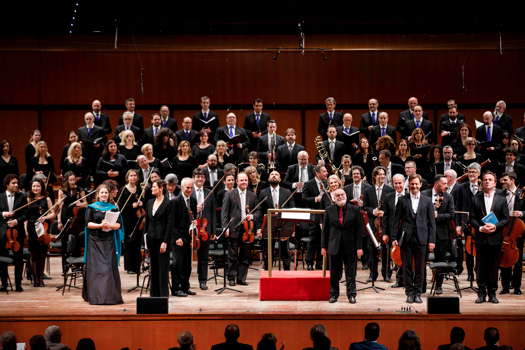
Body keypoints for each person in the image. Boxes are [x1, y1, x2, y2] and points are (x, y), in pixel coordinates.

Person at [393, 174, 436, 304]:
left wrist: (432, 241)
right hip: (407, 238)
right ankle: (409, 293)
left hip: (422, 238)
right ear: (409, 185)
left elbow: (431, 223)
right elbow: (396, 221)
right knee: (406, 267)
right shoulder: (402, 200)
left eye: (416, 184)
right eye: (412, 184)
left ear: (420, 185)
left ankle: (418, 292)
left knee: (420, 267)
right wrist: (394, 237)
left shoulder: (427, 201)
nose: (414, 186)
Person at [470, 172, 509, 304]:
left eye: (490, 179)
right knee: (480, 266)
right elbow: (472, 218)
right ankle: (481, 293)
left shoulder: (501, 199)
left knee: (493, 266)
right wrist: (480, 228)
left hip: (495, 237)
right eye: (485, 179)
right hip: (481, 237)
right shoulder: (476, 198)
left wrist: (495, 226)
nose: (487, 181)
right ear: (482, 182)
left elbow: (505, 219)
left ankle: (492, 293)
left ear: (494, 182)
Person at [83, 184, 123, 304]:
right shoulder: (91, 207)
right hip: (94, 241)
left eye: (106, 193)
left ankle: (109, 296)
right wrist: (101, 225)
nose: (104, 195)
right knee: (97, 270)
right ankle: (96, 297)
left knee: (107, 269)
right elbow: (88, 224)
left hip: (108, 241)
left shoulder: (113, 208)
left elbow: (119, 225)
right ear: (98, 194)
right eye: (102, 193)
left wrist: (109, 225)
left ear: (109, 194)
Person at [322, 188, 364, 303]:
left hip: (350, 246)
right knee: (334, 273)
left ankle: (351, 294)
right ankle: (333, 294)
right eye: (337, 195)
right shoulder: (329, 210)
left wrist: (359, 247)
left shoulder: (355, 210)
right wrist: (323, 247)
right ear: (334, 198)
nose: (340, 197)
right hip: (334, 245)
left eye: (342, 194)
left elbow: (359, 230)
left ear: (346, 195)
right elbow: (325, 230)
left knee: (351, 272)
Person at [222, 172, 258, 286]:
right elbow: (224, 212)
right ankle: (231, 277)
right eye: (241, 180)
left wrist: (252, 216)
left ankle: (241, 278)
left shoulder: (253, 195)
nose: (244, 182)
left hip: (248, 229)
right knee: (232, 255)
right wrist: (225, 227)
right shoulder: (230, 194)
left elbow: (258, 211)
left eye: (245, 180)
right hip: (233, 228)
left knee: (245, 255)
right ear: (237, 182)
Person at [422, 175, 455, 294]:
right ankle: (422, 285)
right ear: (437, 184)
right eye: (444, 183)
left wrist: (438, 216)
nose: (447, 186)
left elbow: (451, 214)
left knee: (440, 260)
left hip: (442, 234)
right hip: (425, 232)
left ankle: (438, 286)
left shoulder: (448, 197)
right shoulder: (424, 194)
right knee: (422, 259)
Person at [257, 170, 295, 270]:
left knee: (285, 251)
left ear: (280, 179)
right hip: (268, 225)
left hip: (283, 225)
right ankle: (267, 272)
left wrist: (291, 228)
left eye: (276, 174)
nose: (274, 176)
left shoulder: (287, 192)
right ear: (269, 178)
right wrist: (259, 228)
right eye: (272, 174)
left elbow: (292, 210)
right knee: (268, 251)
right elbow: (260, 211)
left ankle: (287, 272)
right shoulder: (263, 192)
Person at [363, 166, 394, 282]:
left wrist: (383, 212)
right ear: (375, 176)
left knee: (386, 249)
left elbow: (392, 207)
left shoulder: (390, 190)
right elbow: (365, 206)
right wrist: (373, 211)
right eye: (379, 174)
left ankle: (387, 274)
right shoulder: (368, 191)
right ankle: (373, 274)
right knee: (372, 250)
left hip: (385, 224)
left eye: (383, 174)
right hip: (372, 224)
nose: (382, 176)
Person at [145, 179, 173, 297]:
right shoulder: (150, 202)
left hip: (162, 240)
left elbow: (170, 224)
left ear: (161, 188)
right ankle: (154, 293)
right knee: (154, 267)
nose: (152, 189)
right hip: (151, 239)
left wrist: (165, 242)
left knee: (162, 267)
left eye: (154, 187)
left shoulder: (168, 203)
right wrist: (145, 240)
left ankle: (163, 294)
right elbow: (147, 222)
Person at [26, 178, 55, 287]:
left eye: (38, 186)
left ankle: (40, 278)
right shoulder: (28, 198)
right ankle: (35, 279)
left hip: (43, 228)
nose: (36, 188)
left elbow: (53, 214)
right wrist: (26, 231)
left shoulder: (46, 199)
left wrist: (45, 217)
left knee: (42, 254)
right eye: (34, 186)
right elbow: (26, 216)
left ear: (42, 187)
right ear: (31, 187)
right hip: (32, 228)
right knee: (34, 255)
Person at [0, 174, 27, 292]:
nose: (16, 185)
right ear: (7, 184)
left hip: (17, 232)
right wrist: (3, 214)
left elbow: (26, 214)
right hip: (2, 233)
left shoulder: (22, 197)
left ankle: (18, 284)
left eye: (17, 183)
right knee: (2, 259)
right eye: (13, 183)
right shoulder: (0, 197)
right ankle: (4, 284)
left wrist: (17, 220)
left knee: (18, 259)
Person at [56, 171, 87, 274]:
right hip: (65, 217)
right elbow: (60, 207)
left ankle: (76, 267)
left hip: (77, 218)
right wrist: (59, 221)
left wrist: (80, 204)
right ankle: (65, 268)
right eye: (71, 180)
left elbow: (86, 203)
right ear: (66, 180)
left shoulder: (80, 190)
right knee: (64, 243)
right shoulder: (62, 191)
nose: (73, 182)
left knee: (76, 242)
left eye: (74, 179)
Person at [499, 172, 524, 295]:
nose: (502, 182)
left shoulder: (522, 193)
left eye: (505, 180)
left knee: (517, 259)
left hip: (517, 230)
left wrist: (522, 213)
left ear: (512, 180)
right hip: (504, 228)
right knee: (504, 257)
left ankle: (517, 287)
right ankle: (505, 286)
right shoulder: (501, 194)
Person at [172, 177, 197, 297]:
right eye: (187, 187)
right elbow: (172, 223)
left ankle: (185, 287)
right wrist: (177, 238)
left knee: (187, 264)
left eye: (191, 187)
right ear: (182, 187)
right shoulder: (175, 201)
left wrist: (195, 223)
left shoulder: (193, 200)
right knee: (178, 264)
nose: (189, 189)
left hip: (188, 237)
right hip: (178, 238)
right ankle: (176, 289)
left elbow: (193, 218)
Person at [191, 168, 216, 290]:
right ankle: (185, 281)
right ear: (193, 178)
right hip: (191, 229)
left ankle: (203, 280)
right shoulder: (188, 192)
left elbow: (213, 213)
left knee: (204, 256)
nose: (200, 179)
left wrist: (213, 231)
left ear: (205, 179)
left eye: (202, 177)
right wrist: (195, 208)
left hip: (204, 230)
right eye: (197, 176)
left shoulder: (209, 193)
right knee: (186, 256)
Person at [381, 173, 406, 289]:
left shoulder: (409, 196)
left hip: (406, 232)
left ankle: (407, 279)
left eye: (400, 183)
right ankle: (399, 280)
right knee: (396, 256)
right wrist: (385, 233)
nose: (398, 185)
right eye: (395, 183)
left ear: (404, 183)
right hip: (392, 231)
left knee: (406, 256)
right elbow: (385, 217)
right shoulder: (388, 197)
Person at [117, 169, 143, 275]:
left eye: (135, 175)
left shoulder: (139, 188)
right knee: (129, 242)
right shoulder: (123, 189)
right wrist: (131, 206)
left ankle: (137, 266)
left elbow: (143, 200)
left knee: (137, 242)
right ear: (127, 177)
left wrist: (141, 202)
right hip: (127, 219)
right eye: (131, 175)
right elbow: (120, 205)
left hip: (138, 218)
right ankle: (129, 267)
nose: (133, 177)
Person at [303, 165, 329, 270]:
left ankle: (319, 262)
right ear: (317, 173)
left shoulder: (328, 183)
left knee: (322, 241)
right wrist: (315, 199)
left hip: (325, 216)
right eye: (324, 171)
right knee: (313, 240)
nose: (326, 173)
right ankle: (309, 262)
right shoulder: (308, 184)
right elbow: (304, 199)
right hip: (314, 217)